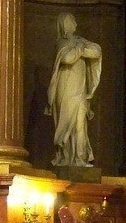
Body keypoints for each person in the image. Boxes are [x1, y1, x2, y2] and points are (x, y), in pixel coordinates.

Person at [44, 12, 103, 167]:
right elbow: (67, 58)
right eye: (73, 21)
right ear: (66, 23)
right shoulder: (61, 43)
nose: (76, 24)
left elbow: (97, 51)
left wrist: (78, 49)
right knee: (66, 123)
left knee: (80, 124)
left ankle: (79, 158)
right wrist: (81, 49)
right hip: (65, 91)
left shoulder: (79, 41)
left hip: (79, 91)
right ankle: (66, 157)